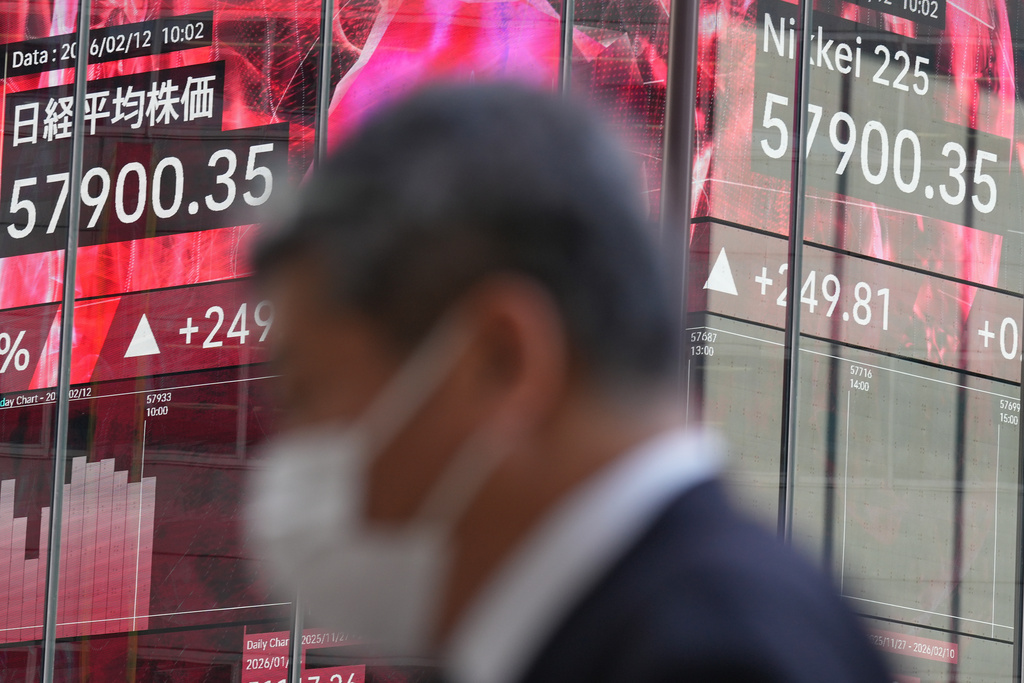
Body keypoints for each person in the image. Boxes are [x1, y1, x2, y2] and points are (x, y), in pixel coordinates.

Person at [245, 82, 892, 683]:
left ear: (501, 360)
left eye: (308, 391)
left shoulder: (707, 655)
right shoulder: (667, 620)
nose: (284, 454)